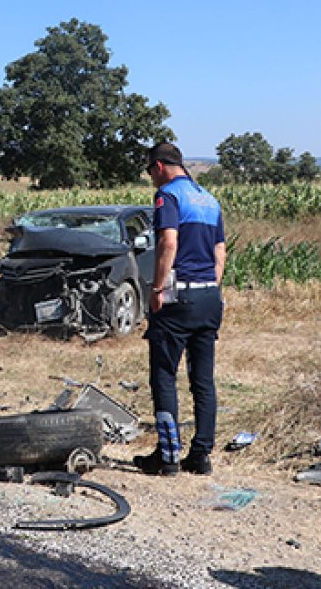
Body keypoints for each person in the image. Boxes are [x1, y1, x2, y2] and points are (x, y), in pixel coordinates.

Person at [134, 142, 226, 476]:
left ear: (159, 166)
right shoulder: (208, 199)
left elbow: (168, 242)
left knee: (163, 375)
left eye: (149, 171)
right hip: (209, 298)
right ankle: (200, 456)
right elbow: (220, 251)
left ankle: (168, 457)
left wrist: (158, 288)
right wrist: (210, 287)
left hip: (179, 297)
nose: (151, 178)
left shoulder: (168, 197)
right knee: (203, 380)